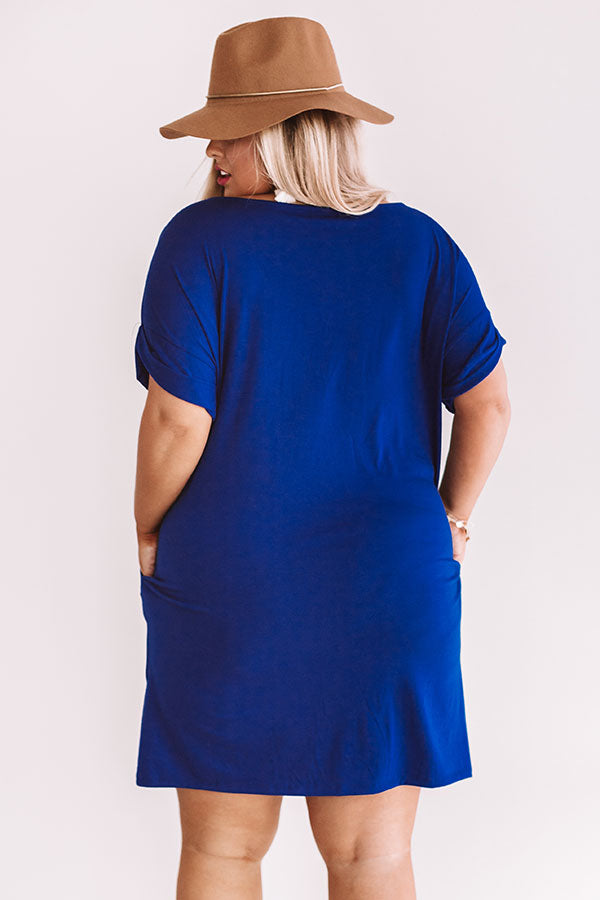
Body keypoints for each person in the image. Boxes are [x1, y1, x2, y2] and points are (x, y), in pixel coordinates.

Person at [133, 16, 511, 900]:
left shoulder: (200, 241)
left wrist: (146, 528)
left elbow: (177, 421)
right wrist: (452, 520)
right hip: (391, 579)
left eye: (227, 131)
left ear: (279, 133)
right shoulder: (418, 242)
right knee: (373, 857)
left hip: (234, 578)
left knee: (224, 853)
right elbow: (488, 403)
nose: (212, 151)